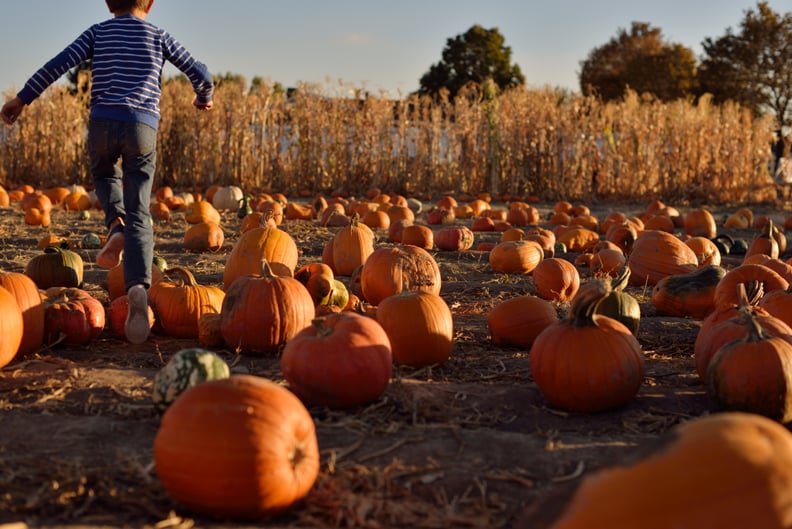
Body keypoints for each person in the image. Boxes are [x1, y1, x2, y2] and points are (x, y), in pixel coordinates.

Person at [0, 0, 214, 344]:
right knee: (141, 208)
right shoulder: (158, 36)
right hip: (142, 127)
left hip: (102, 122)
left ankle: (115, 224)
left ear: (108, 2)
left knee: (103, 175)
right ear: (151, 2)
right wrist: (204, 96)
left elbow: (58, 65)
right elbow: (199, 71)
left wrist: (22, 99)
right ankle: (138, 289)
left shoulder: (98, 32)